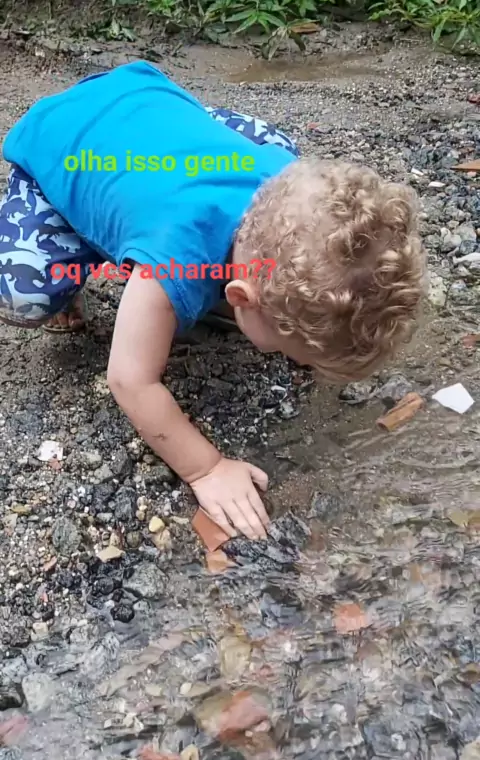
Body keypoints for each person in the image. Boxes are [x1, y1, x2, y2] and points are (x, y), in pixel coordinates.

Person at [0, 61, 425, 541]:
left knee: (281, 150)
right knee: (27, 294)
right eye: (292, 352)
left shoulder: (284, 180)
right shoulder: (174, 259)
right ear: (240, 297)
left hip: (149, 107)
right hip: (62, 142)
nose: (294, 363)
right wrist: (206, 468)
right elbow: (130, 380)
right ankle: (67, 253)